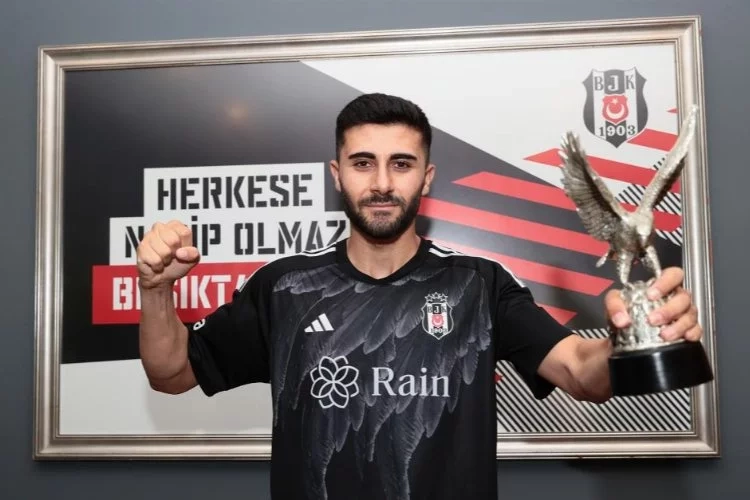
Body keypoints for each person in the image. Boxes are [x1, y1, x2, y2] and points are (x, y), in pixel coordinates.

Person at [136, 93, 701, 500]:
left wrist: (631, 341)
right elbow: (171, 372)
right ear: (337, 174)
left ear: (426, 178)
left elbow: (581, 372)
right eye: (363, 163)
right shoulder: (285, 286)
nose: (382, 183)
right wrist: (156, 289)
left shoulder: (479, 283)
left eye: (401, 164)